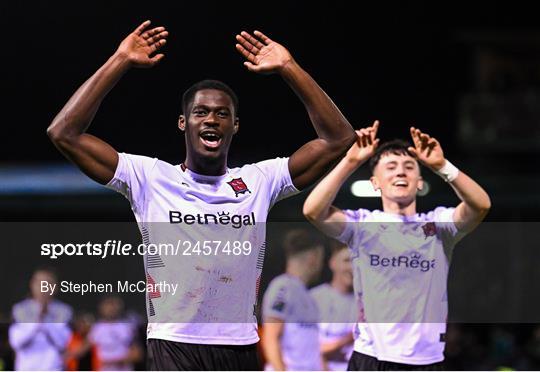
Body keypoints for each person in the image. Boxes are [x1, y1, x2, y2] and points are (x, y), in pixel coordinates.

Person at [46, 20, 356, 370]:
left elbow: (338, 140)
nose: (212, 120)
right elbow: (63, 133)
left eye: (223, 114)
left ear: (234, 126)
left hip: (237, 346)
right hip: (173, 344)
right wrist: (119, 60)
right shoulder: (149, 177)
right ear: (183, 123)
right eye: (201, 112)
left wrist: (290, 68)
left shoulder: (260, 180)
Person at [303, 121, 491, 369]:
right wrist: (350, 162)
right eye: (390, 167)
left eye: (409, 167)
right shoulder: (362, 224)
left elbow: (481, 205)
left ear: (420, 182)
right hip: (371, 357)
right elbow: (313, 211)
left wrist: (442, 166)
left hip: (427, 359)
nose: (400, 172)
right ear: (375, 182)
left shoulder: (438, 226)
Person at [262, 228, 324, 371]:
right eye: (321, 258)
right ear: (313, 257)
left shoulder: (307, 296)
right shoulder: (282, 287)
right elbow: (270, 338)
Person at [9, 268, 72, 371]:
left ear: (55, 287)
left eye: (48, 283)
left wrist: (46, 320)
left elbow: (62, 343)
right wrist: (37, 320)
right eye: (39, 283)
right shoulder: (20, 309)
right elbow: (16, 342)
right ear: (32, 284)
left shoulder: (64, 311)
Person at [310, 241, 357, 371]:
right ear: (332, 262)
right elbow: (305, 347)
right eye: (346, 260)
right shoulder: (314, 298)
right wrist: (346, 339)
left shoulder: (364, 303)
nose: (352, 267)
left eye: (355, 261)